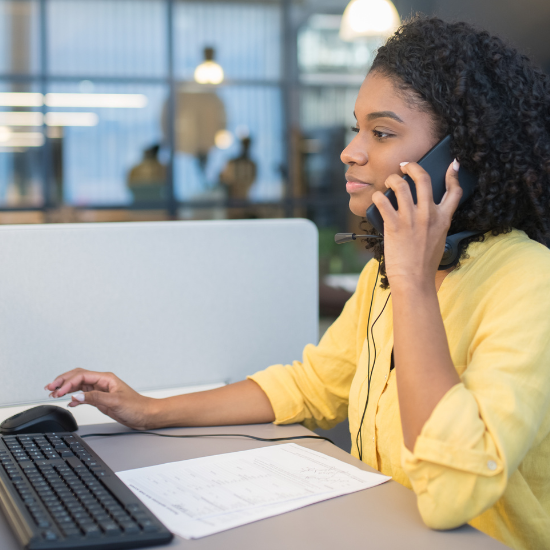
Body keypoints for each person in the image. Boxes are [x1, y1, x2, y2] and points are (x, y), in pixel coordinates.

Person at [45, 17, 550, 550]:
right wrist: (147, 410)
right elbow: (311, 385)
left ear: (455, 162)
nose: (350, 151)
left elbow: (452, 492)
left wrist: (412, 282)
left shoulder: (528, 282)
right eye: (356, 128)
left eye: (381, 133)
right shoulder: (385, 277)